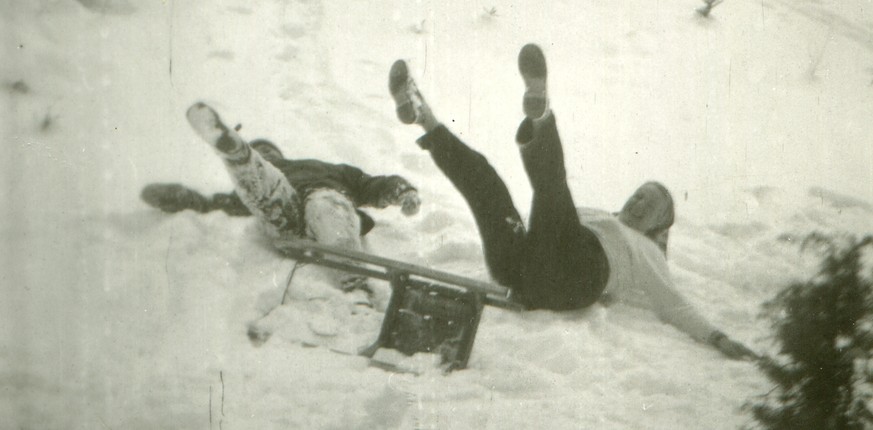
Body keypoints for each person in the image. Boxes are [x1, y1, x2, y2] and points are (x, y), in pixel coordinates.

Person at [388, 44, 757, 360]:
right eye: (639, 194)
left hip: (575, 275)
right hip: (522, 270)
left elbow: (674, 304)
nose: (639, 202)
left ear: (657, 225)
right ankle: (424, 117)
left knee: (552, 190)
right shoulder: (595, 216)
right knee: (488, 185)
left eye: (652, 205)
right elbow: (547, 217)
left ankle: (541, 115)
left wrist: (718, 339)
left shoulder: (647, 251)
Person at [145, 105, 421, 292]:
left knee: (324, 203)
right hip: (285, 214)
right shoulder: (271, 177)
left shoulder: (322, 168)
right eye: (259, 153)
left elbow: (371, 184)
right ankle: (236, 155)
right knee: (262, 187)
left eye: (267, 152)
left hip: (325, 204)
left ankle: (353, 280)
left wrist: (402, 192)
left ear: (280, 154)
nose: (266, 155)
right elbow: (215, 204)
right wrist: (180, 198)